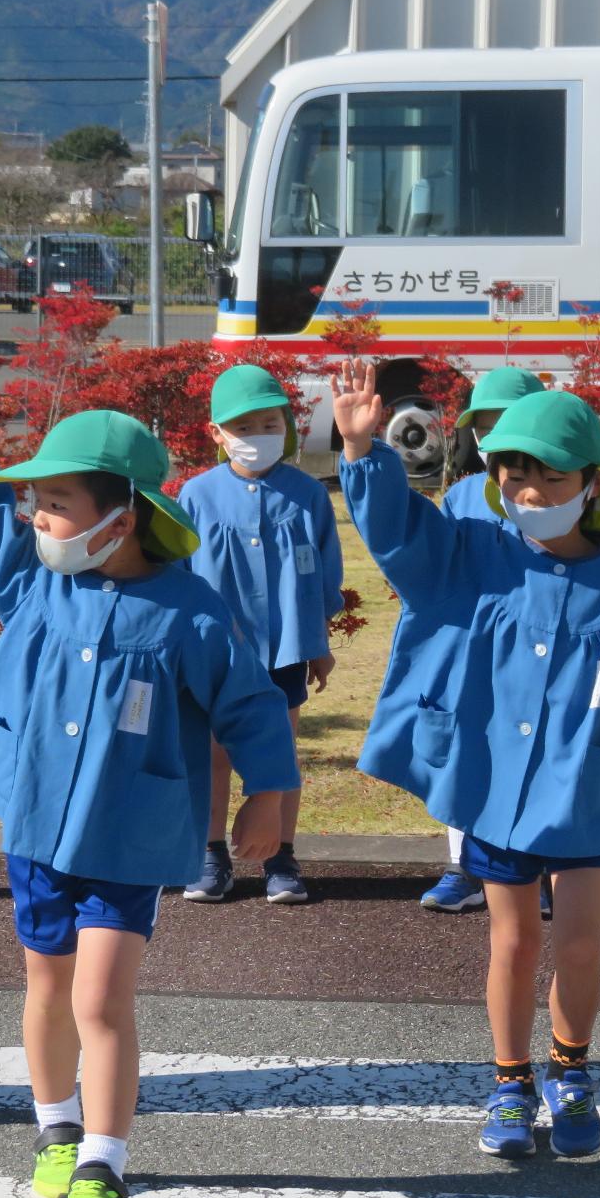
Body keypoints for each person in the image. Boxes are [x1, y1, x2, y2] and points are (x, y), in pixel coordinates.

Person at [0, 326, 298, 1198]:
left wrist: (270, 796)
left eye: (57, 502)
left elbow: (250, 709)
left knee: (100, 999)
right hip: (37, 825)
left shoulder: (188, 610)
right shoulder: (29, 581)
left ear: (125, 511)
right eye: (34, 501)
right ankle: (53, 1128)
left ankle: (104, 1166)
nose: (36, 516)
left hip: (128, 834)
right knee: (45, 987)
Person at [335, 367, 600, 1159]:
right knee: (511, 943)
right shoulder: (470, 552)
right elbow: (398, 534)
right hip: (496, 786)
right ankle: (509, 1083)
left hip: (586, 786)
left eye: (549, 475)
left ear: (593, 482)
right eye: (513, 472)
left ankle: (571, 1073)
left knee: (578, 941)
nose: (529, 491)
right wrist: (364, 450)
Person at [177, 365, 344, 905]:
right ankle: (210, 853)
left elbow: (325, 572)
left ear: (286, 426)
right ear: (216, 432)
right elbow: (178, 577)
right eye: (242, 427)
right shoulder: (197, 495)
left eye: (268, 424)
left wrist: (318, 642)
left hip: (288, 647)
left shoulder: (307, 494)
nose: (256, 437)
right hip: (215, 652)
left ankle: (282, 855)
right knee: (214, 752)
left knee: (281, 752)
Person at [419, 367, 543, 914]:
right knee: (464, 748)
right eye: (483, 427)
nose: (491, 438)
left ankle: (531, 868)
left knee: (530, 751)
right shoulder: (463, 495)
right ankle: (461, 867)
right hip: (473, 649)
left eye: (505, 425)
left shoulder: (557, 494)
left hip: (538, 651)